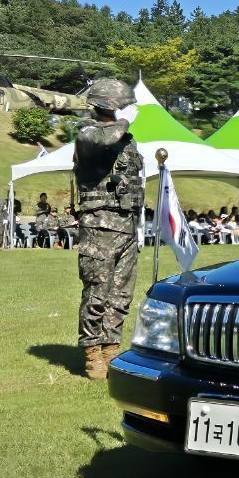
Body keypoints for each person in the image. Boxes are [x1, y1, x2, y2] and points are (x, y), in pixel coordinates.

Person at [73, 78, 144, 380]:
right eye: (120, 105)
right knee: (97, 292)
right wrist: (126, 121)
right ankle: (92, 354)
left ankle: (112, 349)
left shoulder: (126, 138)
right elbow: (107, 139)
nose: (125, 110)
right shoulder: (86, 132)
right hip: (99, 225)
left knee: (120, 294)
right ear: (107, 104)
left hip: (125, 224)